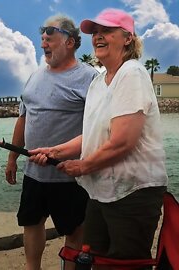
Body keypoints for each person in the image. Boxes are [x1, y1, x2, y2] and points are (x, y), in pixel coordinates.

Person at [29, 8, 168, 269]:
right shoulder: (99, 81)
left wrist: (82, 166)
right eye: (95, 32)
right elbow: (92, 134)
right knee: (95, 260)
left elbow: (123, 142)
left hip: (133, 192)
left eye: (107, 31)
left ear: (128, 38)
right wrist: (56, 151)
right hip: (100, 192)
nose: (98, 37)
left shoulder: (132, 73)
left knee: (125, 265)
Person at [5, 14, 97, 270]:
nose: (43, 43)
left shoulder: (89, 78)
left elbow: (99, 128)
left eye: (50, 37)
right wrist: (12, 159)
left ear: (70, 42)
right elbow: (23, 118)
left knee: (75, 230)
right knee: (31, 223)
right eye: (42, 39)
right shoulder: (34, 76)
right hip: (33, 173)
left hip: (69, 176)